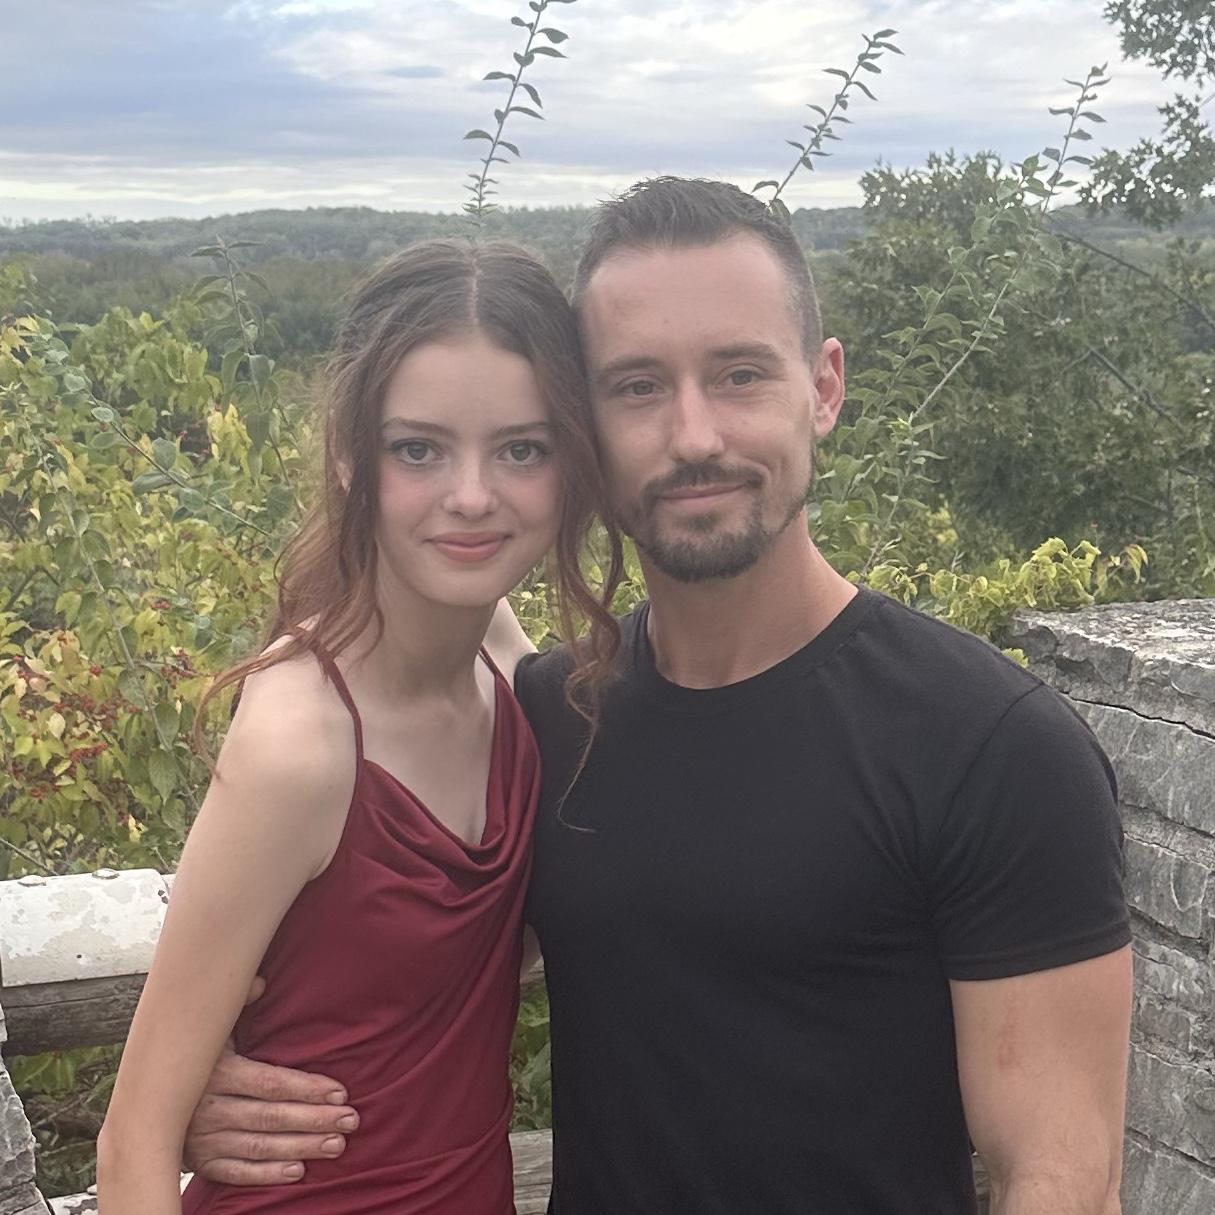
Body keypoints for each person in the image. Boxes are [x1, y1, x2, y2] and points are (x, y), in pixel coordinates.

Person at [179, 179, 1133, 1214]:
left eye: (737, 375)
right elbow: (399, 952)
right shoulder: (551, 720)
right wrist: (209, 1083)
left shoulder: (988, 747)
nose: (692, 436)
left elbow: (1061, 1178)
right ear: (582, 428)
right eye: (636, 387)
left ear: (822, 387)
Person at [96, 239, 620, 1214]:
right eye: (418, 448)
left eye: (521, 448)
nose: (472, 495)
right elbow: (134, 1142)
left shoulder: (505, 666)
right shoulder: (300, 744)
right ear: (349, 455)